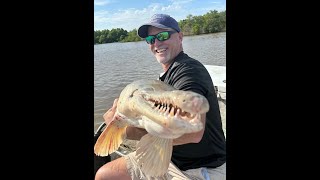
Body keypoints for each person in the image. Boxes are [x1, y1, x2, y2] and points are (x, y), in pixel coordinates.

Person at [95, 14, 226, 180]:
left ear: (180, 37)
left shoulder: (188, 71)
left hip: (199, 168)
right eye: (150, 39)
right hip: (170, 157)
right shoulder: (166, 75)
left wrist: (124, 130)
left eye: (162, 36)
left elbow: (193, 132)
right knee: (104, 175)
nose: (156, 43)